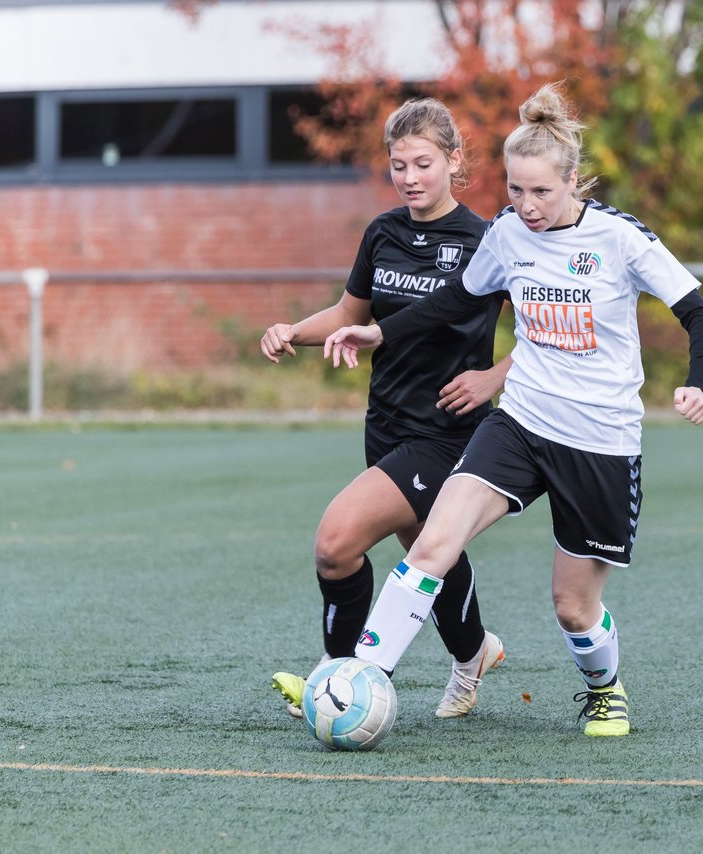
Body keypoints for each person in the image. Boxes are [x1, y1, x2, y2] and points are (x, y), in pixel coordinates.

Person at [323, 82, 703, 737]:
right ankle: (360, 677)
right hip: (520, 423)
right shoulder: (506, 234)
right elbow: (455, 300)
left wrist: (698, 382)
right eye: (514, 190)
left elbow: (696, 313)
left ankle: (604, 688)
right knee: (432, 545)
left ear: (572, 181)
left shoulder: (621, 240)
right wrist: (379, 331)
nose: (526, 206)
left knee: (572, 608)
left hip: (599, 440)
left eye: (541, 191)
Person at [260, 97, 511, 719]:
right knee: (431, 550)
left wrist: (493, 377)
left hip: (447, 430)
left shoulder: (487, 242)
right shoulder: (384, 232)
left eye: (423, 163)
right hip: (386, 423)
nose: (410, 178)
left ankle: (336, 674)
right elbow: (350, 316)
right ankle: (474, 652)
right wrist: (293, 329)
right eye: (398, 165)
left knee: (335, 542)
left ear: (454, 161)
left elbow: (548, 331)